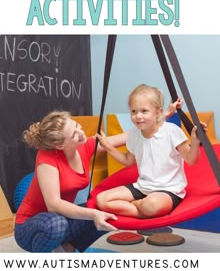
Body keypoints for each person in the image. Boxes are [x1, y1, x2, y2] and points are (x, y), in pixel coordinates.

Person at [14, 101, 181, 253]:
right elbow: (54, 205)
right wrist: (92, 214)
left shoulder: (84, 146)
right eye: (74, 134)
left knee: (104, 209)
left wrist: (161, 116)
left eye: (77, 126)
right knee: (59, 223)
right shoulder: (47, 158)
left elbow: (128, 136)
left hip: (60, 220)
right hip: (31, 227)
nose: (80, 133)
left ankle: (68, 248)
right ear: (60, 145)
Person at [96, 84, 206, 219]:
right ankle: (140, 209)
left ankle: (140, 206)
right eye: (134, 111)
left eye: (144, 111)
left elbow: (191, 159)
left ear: (158, 112)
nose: (138, 116)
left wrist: (195, 142)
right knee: (101, 200)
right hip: (143, 187)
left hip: (168, 191)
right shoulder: (134, 134)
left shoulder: (171, 131)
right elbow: (128, 161)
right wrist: (108, 147)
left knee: (152, 204)